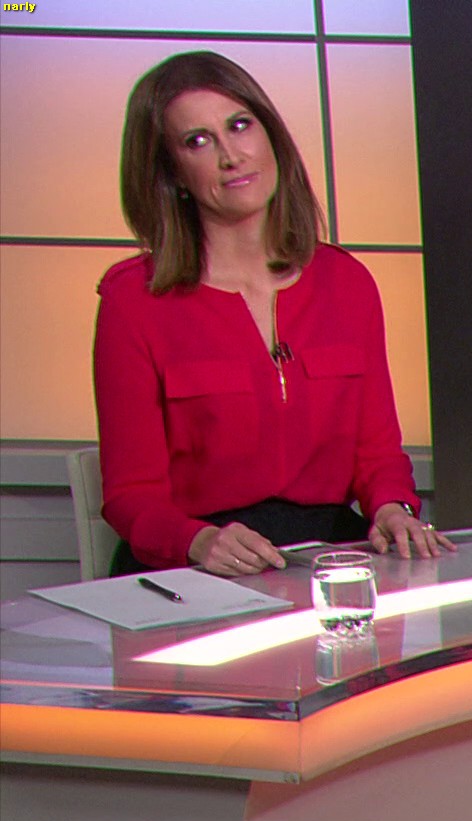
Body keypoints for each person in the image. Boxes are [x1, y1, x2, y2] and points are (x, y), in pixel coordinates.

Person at [94, 51, 448, 577]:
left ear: (271, 137)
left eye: (240, 126)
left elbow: (376, 455)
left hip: (325, 556)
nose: (231, 156)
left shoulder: (346, 283)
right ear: (172, 174)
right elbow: (131, 494)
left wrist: (392, 508)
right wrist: (197, 542)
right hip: (193, 568)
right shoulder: (134, 300)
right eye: (198, 141)